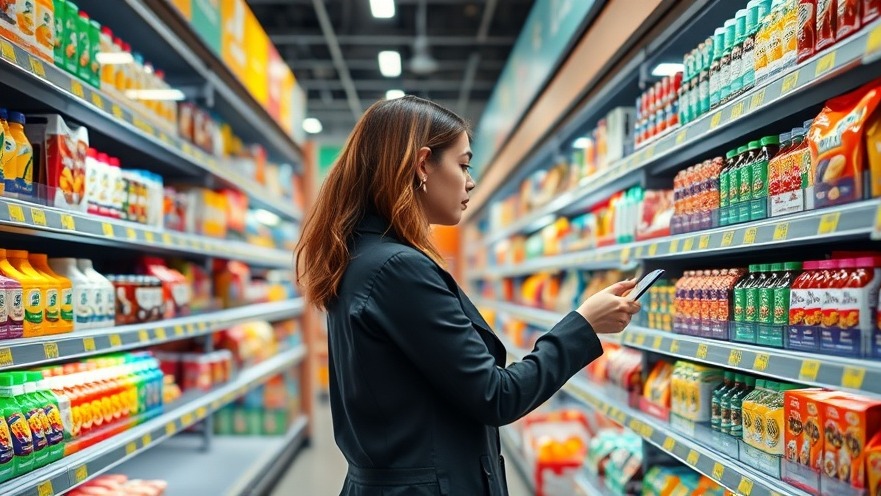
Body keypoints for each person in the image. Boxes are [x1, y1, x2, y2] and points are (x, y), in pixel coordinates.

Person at [296, 96, 641, 496]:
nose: (470, 181)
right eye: (462, 164)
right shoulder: (397, 269)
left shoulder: (361, 256)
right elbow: (497, 395)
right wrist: (583, 325)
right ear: (423, 164)